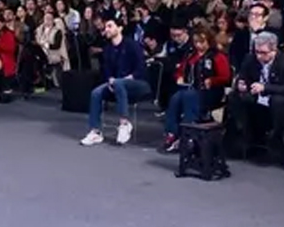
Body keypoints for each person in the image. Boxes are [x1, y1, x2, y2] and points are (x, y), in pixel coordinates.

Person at [227, 30, 284, 160]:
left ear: (274, 50)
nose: (259, 56)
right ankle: (245, 134)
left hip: (278, 99)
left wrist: (266, 88)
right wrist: (240, 84)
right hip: (256, 98)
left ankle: (276, 138)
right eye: (257, 52)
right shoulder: (250, 58)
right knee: (234, 97)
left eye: (263, 53)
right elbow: (242, 76)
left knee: (279, 101)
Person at [81, 17, 150, 146]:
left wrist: (125, 79)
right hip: (117, 85)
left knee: (119, 83)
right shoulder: (107, 49)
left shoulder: (132, 45)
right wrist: (109, 80)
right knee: (96, 93)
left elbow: (141, 68)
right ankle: (95, 131)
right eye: (106, 27)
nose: (106, 29)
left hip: (138, 84)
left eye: (110, 26)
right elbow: (106, 71)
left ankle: (124, 123)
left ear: (120, 28)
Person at [162, 27, 231, 152]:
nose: (198, 45)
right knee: (176, 97)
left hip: (211, 92)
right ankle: (172, 133)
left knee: (189, 97)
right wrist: (180, 77)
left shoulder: (218, 56)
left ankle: (188, 136)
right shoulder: (191, 55)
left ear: (209, 41)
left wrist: (213, 80)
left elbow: (225, 77)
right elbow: (180, 71)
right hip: (191, 89)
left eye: (202, 42)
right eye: (196, 42)